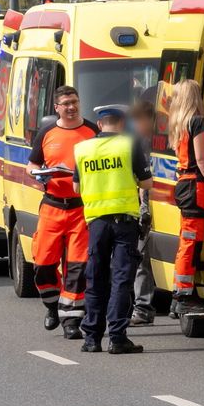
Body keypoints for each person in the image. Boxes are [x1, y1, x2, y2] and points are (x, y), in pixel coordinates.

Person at [73, 104, 154, 354]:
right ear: (122, 123)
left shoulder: (83, 148)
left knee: (95, 278)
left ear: (100, 125)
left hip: (96, 222)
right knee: (121, 279)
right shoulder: (129, 145)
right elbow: (146, 182)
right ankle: (117, 337)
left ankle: (91, 338)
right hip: (124, 223)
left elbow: (76, 188)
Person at [26, 85, 99, 339]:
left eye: (75, 102)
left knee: (77, 267)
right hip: (52, 205)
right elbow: (31, 165)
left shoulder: (92, 131)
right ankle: (52, 306)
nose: (71, 107)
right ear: (56, 107)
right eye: (66, 103)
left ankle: (71, 320)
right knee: (43, 264)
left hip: (81, 207)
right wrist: (40, 175)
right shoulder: (46, 133)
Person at [167, 79, 204, 318]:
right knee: (191, 241)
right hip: (195, 185)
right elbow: (201, 159)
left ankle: (179, 294)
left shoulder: (179, 123)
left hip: (184, 183)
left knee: (187, 239)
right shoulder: (197, 122)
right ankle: (182, 296)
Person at [129, 99, 159, 326]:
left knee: (143, 258)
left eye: (139, 119)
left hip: (155, 201)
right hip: (147, 204)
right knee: (142, 258)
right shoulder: (138, 142)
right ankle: (142, 307)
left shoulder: (154, 143)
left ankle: (143, 307)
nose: (135, 124)